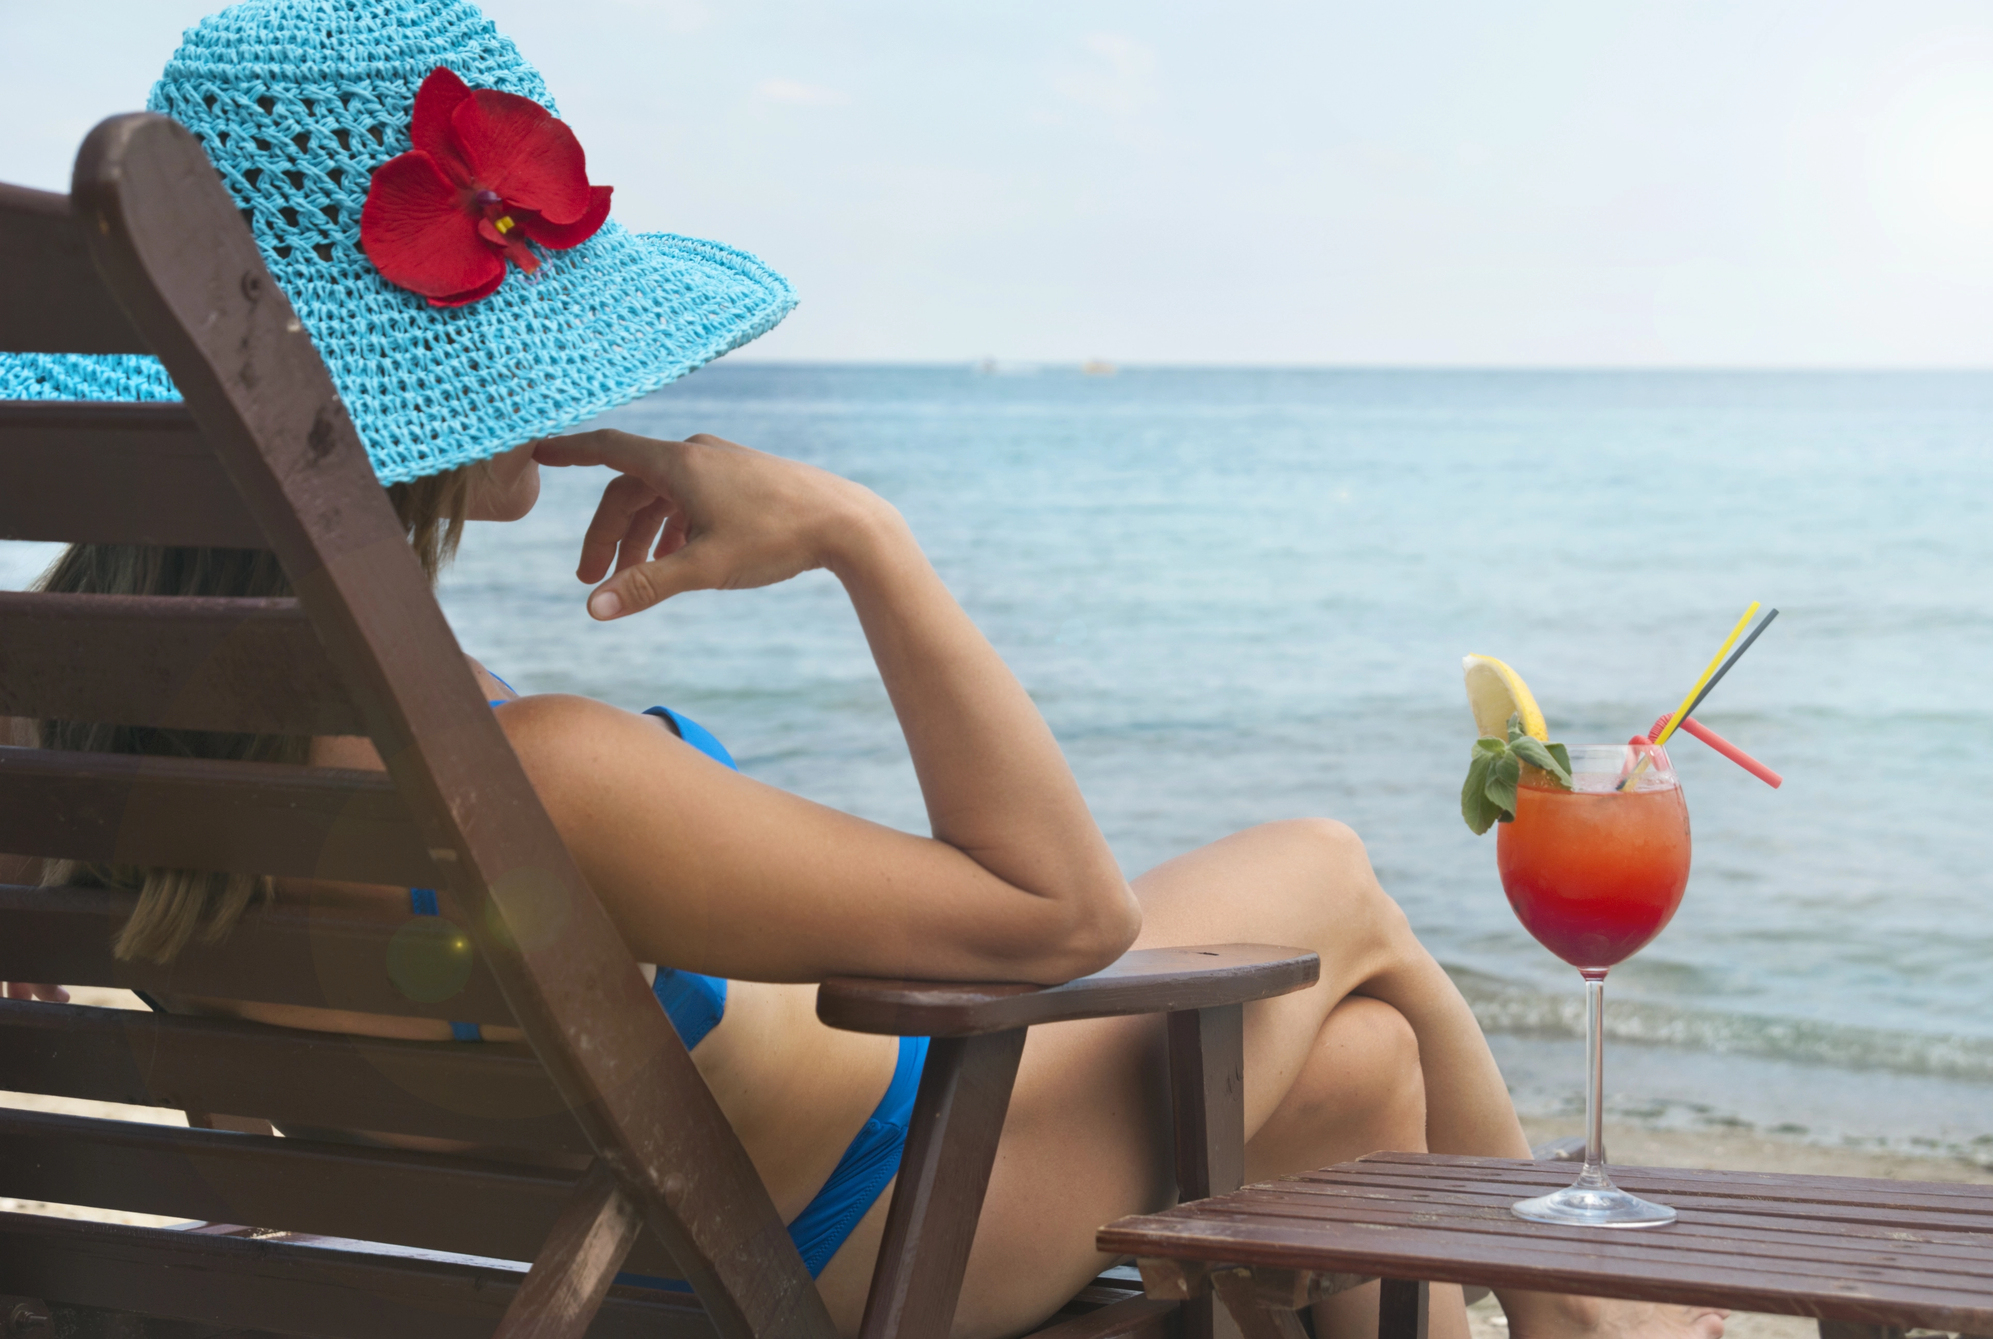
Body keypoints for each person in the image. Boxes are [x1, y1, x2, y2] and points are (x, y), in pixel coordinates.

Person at [0, 4, 1729, 1337]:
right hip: (872, 1230)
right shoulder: (534, 772)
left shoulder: (74, 717)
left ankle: (1555, 1300)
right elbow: (1064, 918)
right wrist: (855, 539)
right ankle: (1579, 1305)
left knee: (1360, 1076)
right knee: (1337, 876)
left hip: (578, 1250)